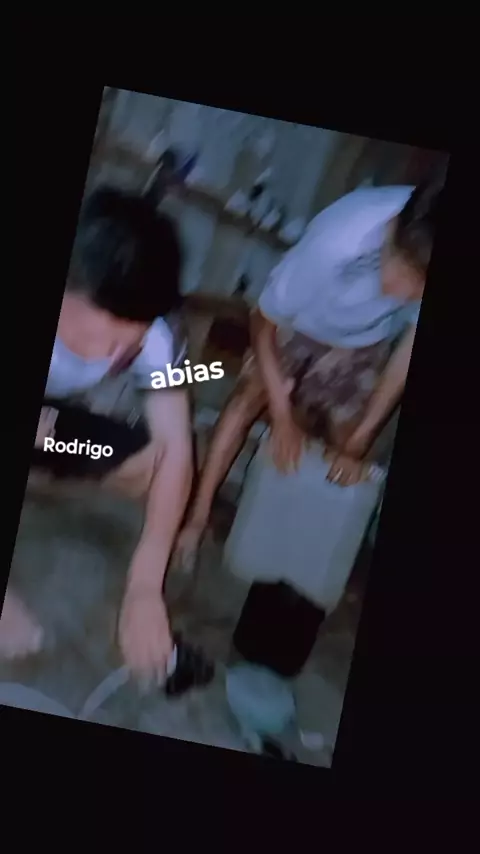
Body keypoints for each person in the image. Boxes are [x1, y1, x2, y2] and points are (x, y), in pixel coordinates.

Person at [175, 174, 445, 573]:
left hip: (363, 339)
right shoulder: (341, 236)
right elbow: (263, 322)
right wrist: (282, 414)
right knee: (246, 400)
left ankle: (290, 552)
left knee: (345, 457)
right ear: (391, 230)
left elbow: (408, 350)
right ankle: (195, 521)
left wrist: (359, 440)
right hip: (296, 321)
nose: (399, 293)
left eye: (416, 289)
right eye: (401, 273)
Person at [1, 186, 195, 683]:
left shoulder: (158, 333)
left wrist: (145, 586)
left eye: (127, 344)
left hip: (51, 426)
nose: (112, 357)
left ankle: (41, 481)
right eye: (100, 337)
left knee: (149, 465)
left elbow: (176, 450)